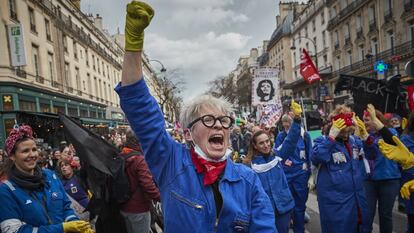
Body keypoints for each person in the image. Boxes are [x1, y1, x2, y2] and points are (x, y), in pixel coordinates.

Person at [115, 1, 276, 232]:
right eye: (208, 120)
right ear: (188, 133)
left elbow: (265, 227)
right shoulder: (171, 162)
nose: (219, 126)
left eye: (224, 121)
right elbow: (139, 108)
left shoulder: (248, 180)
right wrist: (133, 44)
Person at [0, 125, 93, 233]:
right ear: (12, 156)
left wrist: (76, 224)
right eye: (25, 151)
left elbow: (66, 207)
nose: (32, 155)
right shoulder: (6, 191)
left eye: (34, 149)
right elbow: (14, 231)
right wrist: (62, 228)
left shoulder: (51, 176)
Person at [243, 100, 302, 233]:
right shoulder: (249, 165)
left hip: (283, 209)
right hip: (263, 212)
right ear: (255, 146)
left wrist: (297, 120)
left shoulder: (278, 156)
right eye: (261, 143)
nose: (266, 145)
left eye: (267, 141)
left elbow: (290, 141)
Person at [312, 105, 369, 233]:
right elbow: (316, 157)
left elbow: (372, 156)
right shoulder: (322, 141)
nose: (346, 135)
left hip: (356, 199)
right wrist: (331, 138)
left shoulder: (354, 141)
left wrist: (366, 138)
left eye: (349, 132)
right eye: (343, 132)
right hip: (335, 203)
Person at [362, 104, 401, 233]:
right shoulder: (364, 135)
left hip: (388, 179)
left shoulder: (392, 133)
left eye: (367, 119)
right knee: (367, 214)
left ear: (376, 119)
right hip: (369, 181)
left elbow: (389, 142)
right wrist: (365, 138)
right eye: (363, 120)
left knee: (385, 215)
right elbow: (370, 154)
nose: (364, 122)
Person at [274, 113, 312, 233]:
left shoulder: (305, 135)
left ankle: (299, 229)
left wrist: (311, 176)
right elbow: (278, 155)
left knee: (300, 207)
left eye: (288, 125)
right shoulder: (281, 136)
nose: (286, 129)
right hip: (287, 175)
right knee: (287, 205)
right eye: (284, 126)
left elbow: (310, 155)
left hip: (301, 175)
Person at [120, 128, 161, 233]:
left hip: (124, 207)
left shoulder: (121, 155)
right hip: (139, 208)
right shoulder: (140, 160)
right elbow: (148, 186)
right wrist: (162, 198)